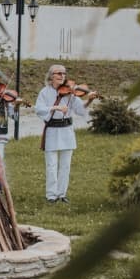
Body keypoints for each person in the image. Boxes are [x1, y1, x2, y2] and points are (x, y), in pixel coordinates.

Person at [33, 64, 97, 204]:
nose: (62, 76)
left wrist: (90, 100)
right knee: (51, 165)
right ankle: (51, 195)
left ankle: (62, 194)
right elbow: (39, 109)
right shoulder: (45, 92)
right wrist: (56, 107)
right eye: (58, 73)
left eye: (64, 73)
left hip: (67, 131)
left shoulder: (70, 92)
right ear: (51, 76)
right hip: (52, 131)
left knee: (65, 165)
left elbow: (80, 109)